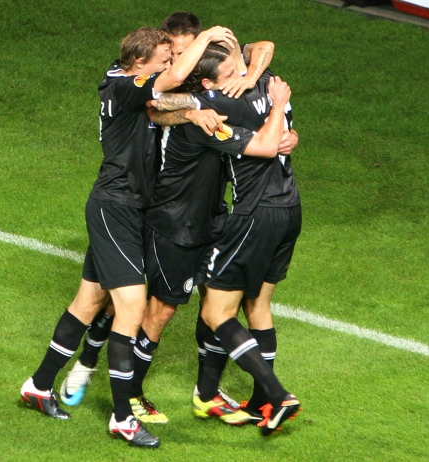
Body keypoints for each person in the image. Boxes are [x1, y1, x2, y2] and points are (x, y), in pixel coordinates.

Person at [20, 25, 236, 449]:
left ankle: (39, 385)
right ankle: (122, 418)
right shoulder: (123, 85)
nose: (171, 65)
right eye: (164, 59)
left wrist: (193, 110)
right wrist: (206, 36)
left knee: (89, 301)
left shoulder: (128, 81)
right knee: (132, 308)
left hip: (129, 209)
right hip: (115, 207)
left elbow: (167, 99)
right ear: (140, 64)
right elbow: (169, 86)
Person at [60, 12, 277, 425]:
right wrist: (194, 111)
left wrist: (249, 76)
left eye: (183, 52)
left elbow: (262, 47)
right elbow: (159, 108)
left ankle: (207, 392)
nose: (177, 62)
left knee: (211, 302)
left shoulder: (213, 79)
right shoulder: (161, 88)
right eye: (172, 54)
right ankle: (91, 369)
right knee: (120, 302)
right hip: (153, 209)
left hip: (206, 212)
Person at [162, 55, 302, 436]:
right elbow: (288, 133)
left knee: (215, 313)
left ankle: (278, 394)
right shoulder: (269, 81)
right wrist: (271, 98)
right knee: (258, 306)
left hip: (254, 216)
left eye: (238, 69)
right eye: (230, 72)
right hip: (291, 209)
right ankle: (260, 403)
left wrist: (193, 109)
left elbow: (157, 101)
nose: (238, 76)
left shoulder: (222, 101)